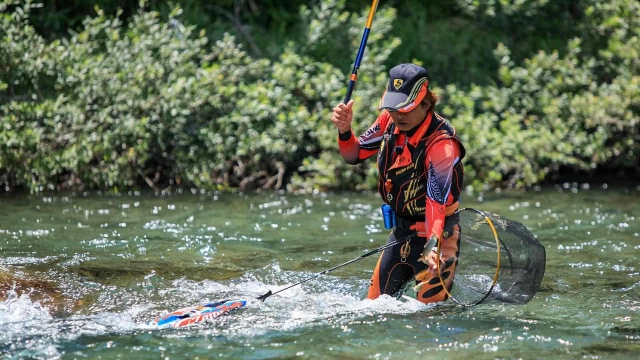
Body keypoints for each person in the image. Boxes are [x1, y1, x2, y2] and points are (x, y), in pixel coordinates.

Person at [331, 63, 465, 304]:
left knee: (428, 320)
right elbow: (354, 154)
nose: (397, 114)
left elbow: (437, 202)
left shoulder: (442, 145)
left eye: (405, 108)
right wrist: (344, 130)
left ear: (426, 103)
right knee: (371, 310)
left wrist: (433, 246)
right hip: (401, 233)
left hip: (437, 236)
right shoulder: (387, 121)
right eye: (393, 108)